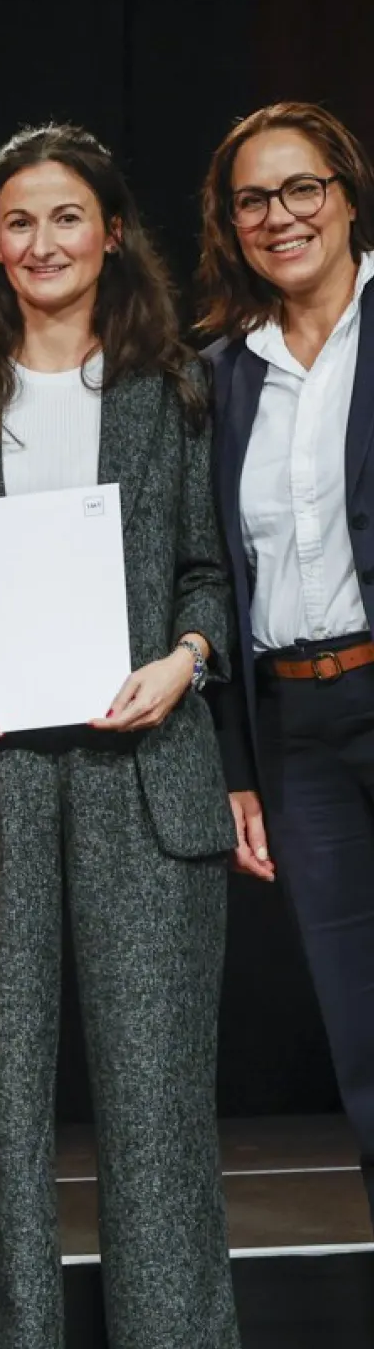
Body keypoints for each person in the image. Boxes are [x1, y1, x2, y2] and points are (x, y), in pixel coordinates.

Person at [0, 124, 249, 1349]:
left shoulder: (178, 385)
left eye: (66, 219)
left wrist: (185, 661)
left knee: (158, 1128)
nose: (43, 243)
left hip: (141, 774)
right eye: (19, 223)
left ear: (109, 236)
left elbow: (212, 575)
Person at [199, 102, 374, 1223]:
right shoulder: (219, 376)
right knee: (361, 1039)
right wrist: (236, 764)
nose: (281, 216)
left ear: (349, 195)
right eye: (254, 199)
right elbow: (212, 572)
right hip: (296, 731)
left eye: (302, 188)